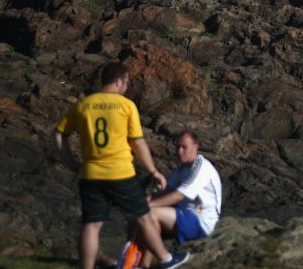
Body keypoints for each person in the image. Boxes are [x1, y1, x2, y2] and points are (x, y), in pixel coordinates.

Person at [54, 61, 190, 269]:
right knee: (143, 216)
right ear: (119, 81)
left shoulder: (84, 104)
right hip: (120, 173)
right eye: (126, 82)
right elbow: (137, 142)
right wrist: (153, 171)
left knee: (91, 225)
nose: (126, 87)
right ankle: (166, 259)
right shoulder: (126, 106)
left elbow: (59, 133)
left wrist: (71, 162)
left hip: (90, 173)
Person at [141, 132, 223, 268]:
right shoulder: (182, 168)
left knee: (150, 213)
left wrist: (148, 205)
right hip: (187, 216)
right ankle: (142, 264)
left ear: (195, 148)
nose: (179, 151)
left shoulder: (201, 167)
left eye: (184, 147)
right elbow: (167, 192)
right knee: (139, 215)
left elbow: (178, 196)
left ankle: (166, 261)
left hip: (203, 223)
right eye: (178, 147)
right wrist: (140, 202)